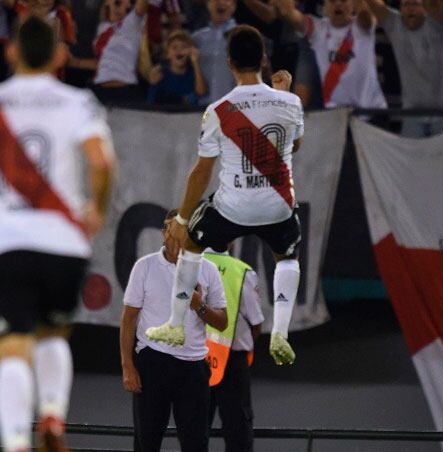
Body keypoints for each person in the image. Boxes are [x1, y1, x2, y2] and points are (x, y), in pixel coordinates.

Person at [0, 16, 115, 452]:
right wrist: (95, 208)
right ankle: (54, 414)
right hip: (65, 246)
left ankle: (18, 442)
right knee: (52, 335)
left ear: (10, 52)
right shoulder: (78, 101)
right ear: (61, 56)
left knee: (13, 349)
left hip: (10, 245)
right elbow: (101, 162)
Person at [146, 25, 301, 367]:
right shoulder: (290, 102)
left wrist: (183, 219)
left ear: (229, 62)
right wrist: (283, 92)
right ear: (263, 59)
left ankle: (175, 324)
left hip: (233, 208)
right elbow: (295, 146)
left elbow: (201, 172)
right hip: (278, 207)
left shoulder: (218, 110)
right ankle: (281, 332)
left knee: (191, 247)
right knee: (287, 257)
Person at [120, 210, 227, 452]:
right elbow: (128, 319)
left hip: (193, 367)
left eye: (184, 230)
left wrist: (198, 304)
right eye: (171, 228)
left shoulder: (208, 270)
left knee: (196, 444)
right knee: (147, 442)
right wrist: (128, 366)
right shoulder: (145, 267)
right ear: (163, 233)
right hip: (152, 361)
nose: (176, 235)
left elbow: (222, 322)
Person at [365, 0, 443, 137]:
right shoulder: (394, 24)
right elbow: (374, 4)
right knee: (411, 158)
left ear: (424, 7)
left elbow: (436, 5)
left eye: (415, 4)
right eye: (405, 4)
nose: (410, 9)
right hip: (412, 115)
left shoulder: (435, 22)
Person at [274, 0, 387, 110]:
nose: (338, 4)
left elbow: (366, 13)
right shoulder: (317, 29)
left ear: (353, 5)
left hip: (372, 112)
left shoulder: (362, 26)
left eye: (343, 1)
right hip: (338, 116)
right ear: (325, 6)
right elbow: (289, 12)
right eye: (332, 1)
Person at [204, 248, 263, 452]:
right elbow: (256, 323)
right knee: (238, 432)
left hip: (194, 359)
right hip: (231, 361)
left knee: (192, 431)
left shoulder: (188, 265)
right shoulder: (242, 271)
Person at [91, 0, 149, 104]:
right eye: (117, 2)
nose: (120, 7)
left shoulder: (132, 23)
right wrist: (76, 62)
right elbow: (102, 61)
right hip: (99, 90)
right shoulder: (102, 27)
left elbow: (141, 5)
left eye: (124, 3)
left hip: (125, 91)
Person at [192, 0, 237, 105]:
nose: (220, 2)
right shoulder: (196, 38)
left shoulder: (243, 35)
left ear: (234, 6)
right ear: (208, 5)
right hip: (202, 110)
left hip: (235, 108)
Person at [147, 29, 207, 106]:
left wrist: (195, 62)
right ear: (167, 54)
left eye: (184, 47)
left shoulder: (193, 73)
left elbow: (201, 92)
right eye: (174, 47)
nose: (179, 50)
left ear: (190, 51)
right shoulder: (159, 74)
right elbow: (151, 103)